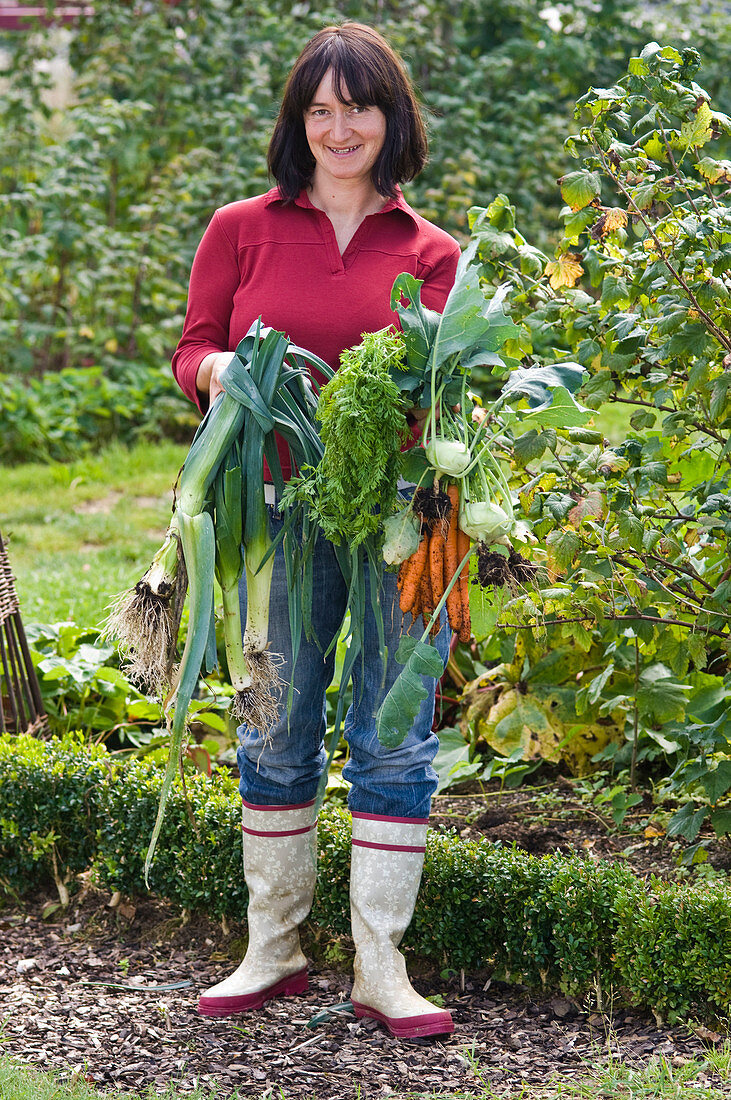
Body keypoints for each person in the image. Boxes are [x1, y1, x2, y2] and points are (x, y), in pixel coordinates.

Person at [171, 22, 460, 1040]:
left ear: (392, 118)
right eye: (320, 109)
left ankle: (380, 962)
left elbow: (435, 395)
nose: (339, 127)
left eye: (359, 106)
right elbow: (191, 347)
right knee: (275, 720)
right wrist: (225, 376)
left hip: (394, 521)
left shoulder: (430, 253)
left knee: (393, 733)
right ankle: (272, 944)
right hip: (275, 514)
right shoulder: (241, 226)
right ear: (300, 122)